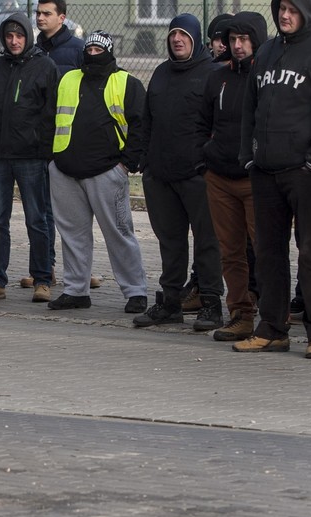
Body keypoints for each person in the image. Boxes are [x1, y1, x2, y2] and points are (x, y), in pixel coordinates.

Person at [233, 0, 311, 359]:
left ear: (307, 12)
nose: (285, 15)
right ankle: (272, 329)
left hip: (307, 173)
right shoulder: (266, 52)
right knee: (268, 253)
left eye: (292, 9)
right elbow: (249, 108)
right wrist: (248, 155)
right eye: (280, 7)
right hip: (265, 170)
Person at [132, 14, 224, 331]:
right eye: (173, 34)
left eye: (184, 34)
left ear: (196, 39)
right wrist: (145, 162)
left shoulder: (213, 74)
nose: (177, 39)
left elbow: (219, 125)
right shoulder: (159, 73)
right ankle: (170, 303)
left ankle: (211, 304)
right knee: (170, 242)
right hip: (160, 175)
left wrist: (207, 164)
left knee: (207, 242)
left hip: (198, 176)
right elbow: (147, 122)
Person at [46, 31, 148, 312]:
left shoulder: (126, 82)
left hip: (107, 172)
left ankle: (136, 292)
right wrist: (52, 160)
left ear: (109, 51)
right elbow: (50, 116)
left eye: (97, 49)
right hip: (65, 170)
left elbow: (141, 125)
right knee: (72, 235)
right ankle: (76, 291)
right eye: (88, 48)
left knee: (119, 233)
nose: (92, 53)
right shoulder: (68, 78)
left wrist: (126, 164)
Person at [0, 14, 58, 303]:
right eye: (9, 36)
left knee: (37, 220)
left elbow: (52, 115)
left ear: (28, 37)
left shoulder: (45, 67)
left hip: (32, 157)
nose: (14, 41)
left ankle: (42, 280)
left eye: (19, 35)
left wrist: (47, 152)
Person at [199, 11, 268, 342]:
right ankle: (240, 314)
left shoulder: (267, 77)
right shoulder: (216, 77)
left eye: (244, 40)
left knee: (266, 250)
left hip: (257, 179)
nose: (238, 46)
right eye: (233, 40)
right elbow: (202, 122)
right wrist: (206, 157)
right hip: (219, 177)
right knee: (231, 252)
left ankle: (273, 317)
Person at [31, 0, 86, 290]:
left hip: (71, 144)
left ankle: (81, 271)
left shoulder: (77, 50)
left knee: (73, 214)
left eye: (46, 14)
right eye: (38, 13)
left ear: (61, 18)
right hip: (41, 142)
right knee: (43, 211)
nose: (40, 18)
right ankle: (46, 269)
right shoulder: (34, 48)